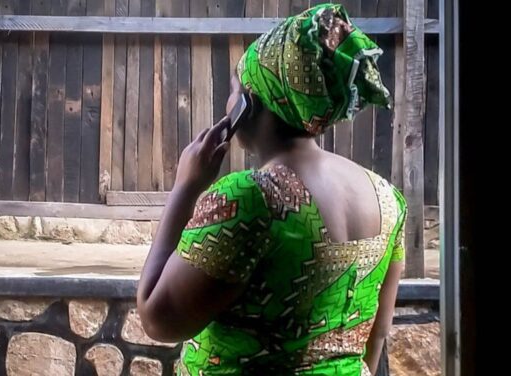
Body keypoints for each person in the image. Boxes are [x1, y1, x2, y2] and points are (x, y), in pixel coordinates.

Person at [137, 4, 405, 375]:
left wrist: (186, 187)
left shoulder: (250, 198)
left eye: (235, 89)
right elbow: (376, 337)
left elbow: (159, 320)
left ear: (253, 103)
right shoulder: (389, 198)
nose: (229, 102)